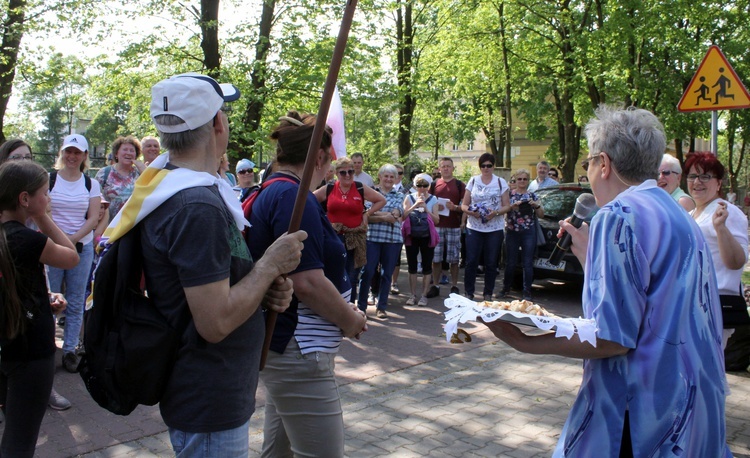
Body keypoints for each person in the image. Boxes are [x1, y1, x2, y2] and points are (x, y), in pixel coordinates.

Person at [484, 106, 731, 457]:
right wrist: (591, 260)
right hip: (692, 407)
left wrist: (528, 342)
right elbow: (656, 304)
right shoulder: (676, 213)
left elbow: (612, 338)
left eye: (587, 163)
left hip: (644, 416)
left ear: (604, 163)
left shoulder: (617, 217)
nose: (587, 173)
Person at [127, 73, 306, 456]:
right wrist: (268, 266)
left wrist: (261, 289)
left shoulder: (180, 188)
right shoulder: (195, 206)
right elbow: (215, 321)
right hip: (208, 399)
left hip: (211, 395)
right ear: (217, 124)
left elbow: (214, 291)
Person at [247, 111, 368, 457]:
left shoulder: (278, 191)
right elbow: (308, 283)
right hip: (300, 351)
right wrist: (350, 320)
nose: (330, 171)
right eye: (329, 161)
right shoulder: (290, 197)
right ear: (317, 156)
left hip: (293, 350)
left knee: (278, 453)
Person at [0, 160, 79, 457]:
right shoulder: (27, 240)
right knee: (19, 443)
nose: (48, 199)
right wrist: (43, 217)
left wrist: (41, 299)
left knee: (12, 429)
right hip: (30, 352)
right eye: (45, 193)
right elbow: (71, 256)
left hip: (6, 347)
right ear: (25, 199)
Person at [46, 134, 102, 373]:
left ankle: (70, 350)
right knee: (50, 298)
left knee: (77, 298)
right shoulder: (49, 180)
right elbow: (44, 211)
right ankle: (48, 348)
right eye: (68, 151)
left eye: (77, 153)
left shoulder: (91, 184)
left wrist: (73, 239)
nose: (72, 156)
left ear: (84, 156)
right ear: (62, 153)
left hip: (81, 246)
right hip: (51, 247)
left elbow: (93, 217)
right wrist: (60, 238)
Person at [685, 152, 749, 348]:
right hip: (690, 303)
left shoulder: (727, 211)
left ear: (719, 183)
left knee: (705, 369)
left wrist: (721, 228)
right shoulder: (690, 214)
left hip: (714, 305)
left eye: (705, 176)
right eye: (693, 176)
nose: (697, 182)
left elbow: (736, 262)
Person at [314, 156, 384, 300]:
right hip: (333, 238)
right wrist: (320, 219)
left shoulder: (359, 187)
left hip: (355, 238)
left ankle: (350, 309)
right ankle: (332, 306)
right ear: (336, 173)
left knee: (352, 276)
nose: (347, 175)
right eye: (343, 172)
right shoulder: (330, 188)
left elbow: (381, 200)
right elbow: (310, 200)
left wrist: (367, 213)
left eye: (350, 172)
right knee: (333, 274)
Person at [461, 153, 510, 300]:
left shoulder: (501, 182)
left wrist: (495, 213)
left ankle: (488, 293)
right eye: (483, 165)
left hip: (494, 228)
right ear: (479, 167)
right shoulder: (473, 181)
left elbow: (507, 206)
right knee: (471, 261)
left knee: (491, 262)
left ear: (494, 166)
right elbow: (464, 204)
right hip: (474, 227)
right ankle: (469, 292)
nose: (486, 168)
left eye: (489, 165)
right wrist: (470, 212)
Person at [357, 164, 404, 318]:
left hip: (392, 240)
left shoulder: (399, 195)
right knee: (368, 272)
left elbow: (397, 214)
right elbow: (366, 216)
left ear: (395, 178)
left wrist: (377, 212)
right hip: (372, 239)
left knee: (386, 274)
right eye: (386, 176)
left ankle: (381, 307)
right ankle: (362, 307)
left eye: (392, 176)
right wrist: (385, 216)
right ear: (380, 176)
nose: (389, 179)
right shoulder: (371, 193)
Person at [499, 168, 544, 300]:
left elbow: (542, 214)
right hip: (512, 231)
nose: (522, 181)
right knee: (510, 262)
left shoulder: (532, 195)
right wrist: (512, 207)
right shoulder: (510, 195)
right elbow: (503, 210)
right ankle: (506, 288)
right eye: (519, 179)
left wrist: (535, 206)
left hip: (528, 231)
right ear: (515, 180)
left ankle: (527, 291)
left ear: (528, 180)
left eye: (525, 179)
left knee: (527, 262)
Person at [427, 157, 465, 298]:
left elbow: (465, 206)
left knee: (454, 258)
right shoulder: (434, 184)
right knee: (436, 258)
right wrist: (436, 206)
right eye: (443, 166)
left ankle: (454, 286)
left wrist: (454, 207)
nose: (446, 168)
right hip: (437, 226)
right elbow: (428, 203)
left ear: (453, 168)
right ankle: (435, 285)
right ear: (439, 169)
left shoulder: (460, 185)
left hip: (454, 226)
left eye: (448, 166)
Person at [402, 173, 440, 306]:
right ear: (415, 186)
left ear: (429, 186)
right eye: (419, 185)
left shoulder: (433, 199)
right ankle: (412, 295)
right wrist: (414, 206)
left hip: (427, 236)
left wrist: (426, 210)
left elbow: (437, 220)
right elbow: (403, 216)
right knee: (412, 266)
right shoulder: (409, 197)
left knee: (426, 266)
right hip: (412, 235)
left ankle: (424, 295)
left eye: (425, 185)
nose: (422, 188)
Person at [95, 136, 142, 220]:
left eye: (132, 150)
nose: (129, 153)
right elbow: (95, 201)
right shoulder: (104, 173)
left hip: (133, 226)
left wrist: (141, 167)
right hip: (108, 226)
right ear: (116, 154)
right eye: (125, 149)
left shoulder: (140, 174)